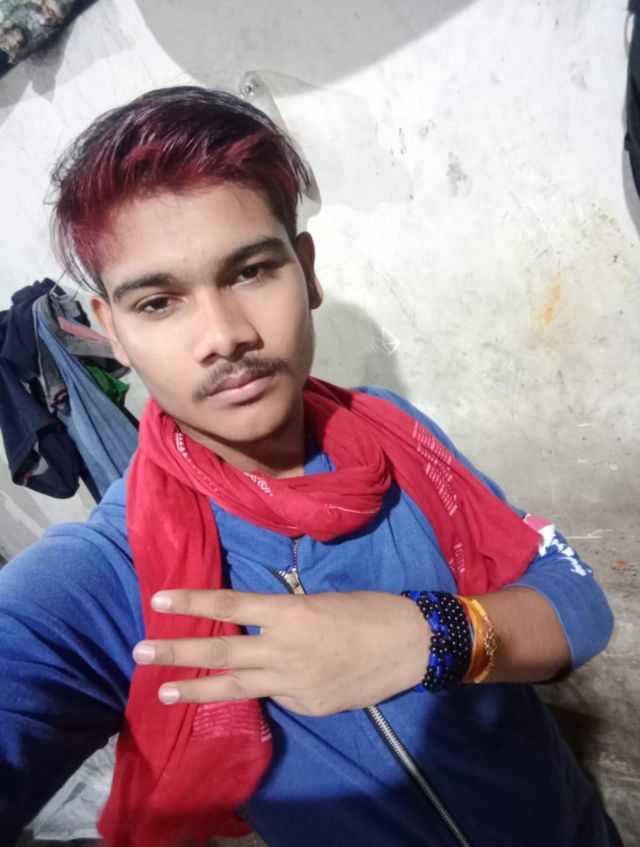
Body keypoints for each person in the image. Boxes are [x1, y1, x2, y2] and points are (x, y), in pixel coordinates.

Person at [0, 86, 620, 847]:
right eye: (159, 302)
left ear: (306, 269)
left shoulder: (394, 436)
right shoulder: (111, 571)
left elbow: (575, 600)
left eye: (250, 271)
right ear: (112, 332)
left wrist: (429, 635)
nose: (224, 335)